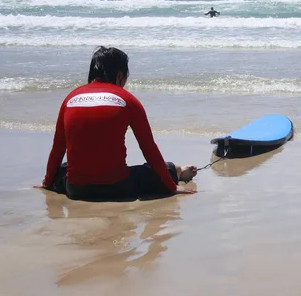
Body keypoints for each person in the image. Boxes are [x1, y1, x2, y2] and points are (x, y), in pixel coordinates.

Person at [36, 46, 197, 201]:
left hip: (76, 189)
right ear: (120, 76)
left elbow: (57, 148)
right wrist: (171, 187)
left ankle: (178, 171)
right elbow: (148, 148)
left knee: (63, 168)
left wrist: (47, 182)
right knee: (166, 168)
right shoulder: (127, 99)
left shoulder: (70, 99)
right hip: (117, 187)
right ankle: (178, 171)